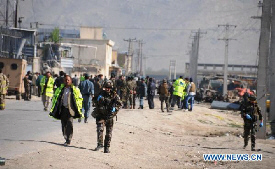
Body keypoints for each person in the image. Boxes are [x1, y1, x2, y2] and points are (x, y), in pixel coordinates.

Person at [49, 75, 83, 146]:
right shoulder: (60, 89)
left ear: (71, 81)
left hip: (71, 109)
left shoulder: (75, 90)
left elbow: (79, 100)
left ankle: (69, 139)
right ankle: (65, 137)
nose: (67, 81)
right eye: (65, 80)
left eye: (68, 80)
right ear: (64, 81)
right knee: (63, 124)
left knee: (69, 124)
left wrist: (79, 109)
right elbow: (55, 99)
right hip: (63, 109)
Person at [92, 81, 122, 153]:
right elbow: (94, 100)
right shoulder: (101, 93)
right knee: (100, 129)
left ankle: (107, 147)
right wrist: (98, 99)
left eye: (109, 88)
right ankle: (99, 144)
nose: (107, 89)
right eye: (106, 87)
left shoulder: (114, 95)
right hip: (101, 115)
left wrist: (115, 110)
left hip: (109, 116)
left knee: (109, 133)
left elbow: (119, 104)